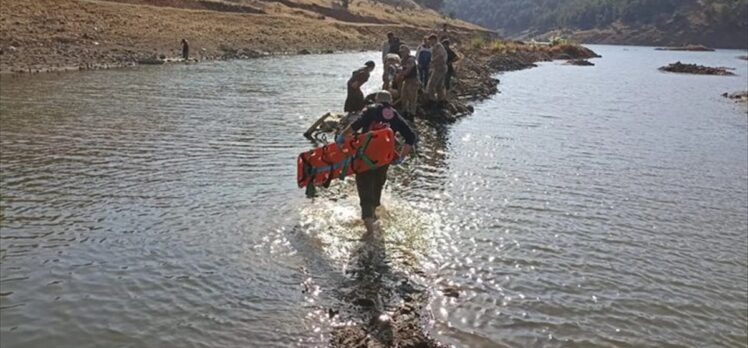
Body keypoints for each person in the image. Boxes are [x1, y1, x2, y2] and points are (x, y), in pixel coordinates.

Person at [337, 91, 417, 230]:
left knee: (364, 188)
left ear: (376, 100)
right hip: (384, 160)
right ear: (390, 101)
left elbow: (355, 126)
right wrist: (402, 157)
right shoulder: (395, 115)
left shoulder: (370, 110)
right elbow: (410, 137)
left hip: (365, 158)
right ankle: (373, 216)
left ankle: (369, 229)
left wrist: (341, 137)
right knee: (377, 186)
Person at [397, 45, 419, 119]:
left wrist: (400, 74)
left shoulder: (410, 59)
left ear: (407, 52)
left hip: (412, 81)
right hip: (406, 81)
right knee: (404, 97)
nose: (402, 53)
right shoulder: (403, 60)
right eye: (401, 52)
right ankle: (405, 112)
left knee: (412, 99)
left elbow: (407, 71)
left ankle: (412, 114)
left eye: (403, 52)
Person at [425, 34, 448, 105]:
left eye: (430, 40)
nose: (430, 42)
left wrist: (432, 61)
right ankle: (441, 100)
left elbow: (440, 55)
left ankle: (432, 100)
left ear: (434, 39)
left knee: (431, 85)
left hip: (439, 68)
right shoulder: (436, 46)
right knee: (439, 85)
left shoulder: (438, 46)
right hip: (440, 67)